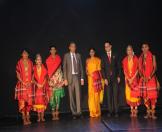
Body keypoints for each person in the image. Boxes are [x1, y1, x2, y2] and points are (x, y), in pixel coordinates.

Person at [63, 42, 84, 119]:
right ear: (69, 47)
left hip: (77, 77)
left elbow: (81, 67)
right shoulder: (66, 55)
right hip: (70, 77)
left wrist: (82, 78)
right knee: (71, 96)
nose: (73, 48)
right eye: (72, 46)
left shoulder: (78, 55)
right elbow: (64, 68)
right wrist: (65, 79)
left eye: (74, 47)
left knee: (78, 95)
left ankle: (79, 112)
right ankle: (74, 113)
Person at [101, 42, 121, 117]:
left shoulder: (115, 55)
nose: (106, 48)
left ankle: (116, 111)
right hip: (107, 80)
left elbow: (119, 66)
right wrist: (104, 78)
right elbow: (102, 69)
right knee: (109, 96)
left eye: (108, 46)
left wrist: (119, 76)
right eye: (105, 47)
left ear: (110, 46)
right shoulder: (103, 56)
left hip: (115, 78)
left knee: (115, 95)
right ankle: (110, 111)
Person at [139, 43, 158, 119]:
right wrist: (143, 77)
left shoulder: (153, 56)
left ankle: (153, 113)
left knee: (152, 96)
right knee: (146, 96)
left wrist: (149, 77)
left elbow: (155, 68)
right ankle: (148, 112)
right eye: (143, 47)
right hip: (143, 79)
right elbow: (139, 70)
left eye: (146, 47)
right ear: (141, 49)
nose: (144, 49)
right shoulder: (140, 58)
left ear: (148, 48)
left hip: (151, 78)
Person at [46, 46, 65, 120]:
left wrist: (61, 80)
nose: (53, 51)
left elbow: (60, 70)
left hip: (58, 80)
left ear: (56, 50)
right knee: (52, 99)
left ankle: (57, 113)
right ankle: (53, 113)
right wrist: (50, 81)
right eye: (51, 49)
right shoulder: (48, 60)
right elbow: (48, 72)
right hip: (51, 81)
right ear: (50, 51)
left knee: (57, 99)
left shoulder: (58, 58)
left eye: (54, 49)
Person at [15, 50, 33, 125]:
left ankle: (28, 117)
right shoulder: (19, 62)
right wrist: (22, 82)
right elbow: (17, 74)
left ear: (28, 54)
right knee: (22, 102)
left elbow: (33, 74)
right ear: (21, 54)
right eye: (23, 53)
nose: (25, 54)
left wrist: (31, 81)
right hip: (22, 84)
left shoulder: (31, 62)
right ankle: (24, 118)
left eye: (26, 53)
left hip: (29, 85)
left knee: (29, 102)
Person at [122, 45, 140, 117]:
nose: (129, 51)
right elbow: (124, 70)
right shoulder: (125, 60)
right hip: (127, 79)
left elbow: (138, 70)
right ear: (126, 51)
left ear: (132, 50)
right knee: (129, 94)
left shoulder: (136, 59)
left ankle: (135, 109)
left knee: (135, 94)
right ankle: (131, 110)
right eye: (128, 50)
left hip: (134, 79)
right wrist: (128, 78)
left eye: (130, 50)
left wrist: (132, 78)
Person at [86, 48, 102, 118]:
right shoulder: (87, 60)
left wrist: (95, 76)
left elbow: (99, 70)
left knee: (96, 95)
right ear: (89, 53)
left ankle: (97, 111)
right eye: (90, 52)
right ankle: (92, 112)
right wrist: (90, 74)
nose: (91, 53)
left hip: (96, 80)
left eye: (92, 52)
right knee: (91, 95)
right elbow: (86, 71)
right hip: (90, 79)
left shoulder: (98, 60)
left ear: (94, 52)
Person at [33, 54, 48, 122]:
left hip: (43, 87)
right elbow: (32, 79)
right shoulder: (33, 68)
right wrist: (37, 84)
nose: (39, 61)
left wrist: (42, 84)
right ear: (35, 61)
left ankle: (42, 116)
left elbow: (46, 78)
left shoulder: (44, 68)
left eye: (40, 59)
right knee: (37, 101)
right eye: (38, 60)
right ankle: (38, 117)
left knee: (42, 101)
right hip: (36, 88)